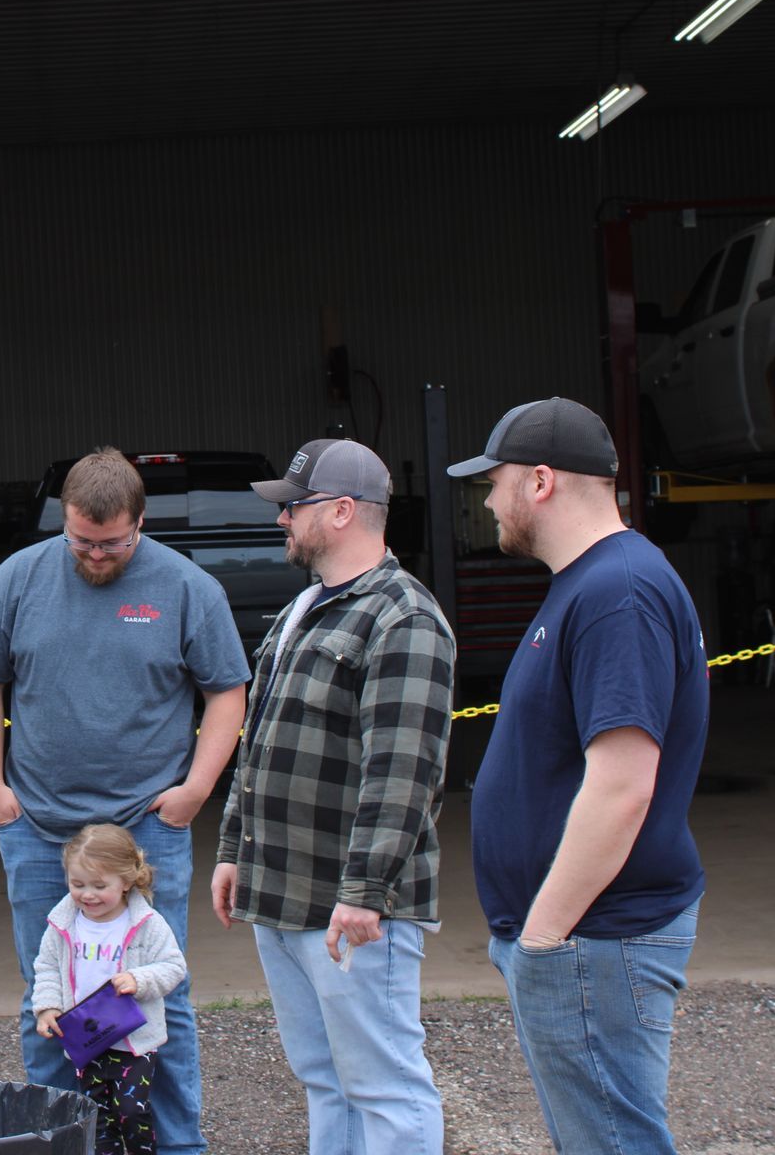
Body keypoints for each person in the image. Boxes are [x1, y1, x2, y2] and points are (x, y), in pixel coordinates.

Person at [0, 446, 249, 1155]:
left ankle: (176, 1146)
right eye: (81, 540)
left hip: (147, 834)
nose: (94, 555)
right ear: (65, 520)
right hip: (40, 830)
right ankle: (63, 1141)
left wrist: (196, 790)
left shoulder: (185, 587)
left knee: (154, 994)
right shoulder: (17, 580)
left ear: (140, 523)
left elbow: (227, 690)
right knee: (47, 998)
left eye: (111, 543)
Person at [448, 398, 709, 1155]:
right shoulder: (595, 583)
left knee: (613, 1143)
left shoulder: (614, 595)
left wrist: (544, 934)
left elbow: (623, 784)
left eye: (493, 483)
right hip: (584, 937)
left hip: (593, 936)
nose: (488, 501)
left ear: (539, 481)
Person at [210, 438, 453, 1154]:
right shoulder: (304, 610)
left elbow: (403, 772)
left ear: (343, 511)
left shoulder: (402, 618)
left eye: (294, 505)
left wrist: (366, 891)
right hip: (282, 895)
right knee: (323, 1078)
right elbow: (259, 743)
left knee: (385, 1086)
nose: (281, 519)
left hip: (352, 909)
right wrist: (233, 850)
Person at [33, 824, 188, 1155]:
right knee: (95, 1115)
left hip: (134, 1043)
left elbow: (174, 966)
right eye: (77, 884)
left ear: (127, 882)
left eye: (100, 886)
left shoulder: (146, 924)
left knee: (132, 1113)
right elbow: (46, 967)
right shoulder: (63, 924)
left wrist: (139, 979)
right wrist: (47, 1007)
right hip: (86, 1040)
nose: (87, 894)